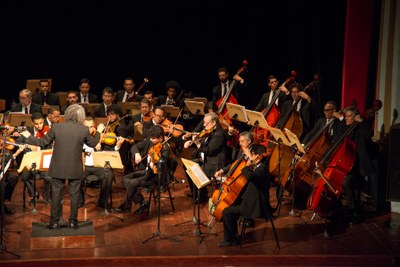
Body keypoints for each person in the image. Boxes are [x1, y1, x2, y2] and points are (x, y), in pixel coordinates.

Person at [20, 104, 100, 230]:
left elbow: (42, 142)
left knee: (56, 195)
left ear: (67, 114)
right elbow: (93, 143)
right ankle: (73, 222)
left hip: (58, 167)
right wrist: (99, 132)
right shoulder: (84, 129)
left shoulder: (56, 127)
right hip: (75, 167)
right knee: (74, 195)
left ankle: (54, 222)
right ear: (81, 116)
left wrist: (28, 136)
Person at [217, 144, 272, 247]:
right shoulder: (258, 166)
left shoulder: (262, 169)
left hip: (256, 205)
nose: (250, 157)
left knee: (227, 212)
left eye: (252, 154)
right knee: (229, 208)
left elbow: (250, 176)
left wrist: (247, 165)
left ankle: (230, 240)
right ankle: (233, 237)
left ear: (257, 156)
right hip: (251, 200)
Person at [113, 125, 170, 215]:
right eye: (151, 138)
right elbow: (134, 147)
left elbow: (161, 167)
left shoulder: (166, 149)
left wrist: (153, 165)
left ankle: (126, 207)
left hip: (155, 176)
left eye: (154, 139)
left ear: (161, 138)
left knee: (131, 183)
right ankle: (142, 202)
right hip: (147, 172)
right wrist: (136, 154)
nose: (151, 140)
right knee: (124, 179)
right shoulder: (150, 141)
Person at [335, 106, 378, 224]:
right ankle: (337, 207)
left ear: (355, 117)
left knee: (346, 182)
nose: (346, 118)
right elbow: (337, 138)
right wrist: (341, 120)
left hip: (359, 168)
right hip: (347, 166)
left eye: (349, 116)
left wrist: (362, 122)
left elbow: (368, 134)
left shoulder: (361, 128)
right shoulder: (345, 128)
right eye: (346, 116)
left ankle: (354, 212)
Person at [183, 112, 228, 203]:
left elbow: (209, 151)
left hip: (214, 163)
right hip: (205, 158)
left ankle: (202, 195)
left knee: (196, 170)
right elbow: (203, 144)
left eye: (205, 123)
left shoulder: (219, 134)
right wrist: (191, 143)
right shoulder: (209, 131)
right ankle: (196, 192)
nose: (203, 125)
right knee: (187, 166)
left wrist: (198, 144)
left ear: (213, 123)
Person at [16, 112, 52, 205]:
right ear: (32, 123)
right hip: (30, 162)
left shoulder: (48, 132)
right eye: (36, 124)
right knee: (24, 177)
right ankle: (34, 194)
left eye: (41, 123)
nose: (39, 126)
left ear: (43, 121)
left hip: (43, 161)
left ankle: (46, 195)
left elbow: (48, 145)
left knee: (49, 177)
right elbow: (18, 142)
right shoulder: (27, 132)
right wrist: (28, 146)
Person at [81, 117, 117, 208]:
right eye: (87, 127)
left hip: (97, 165)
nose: (90, 129)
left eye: (92, 126)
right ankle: (80, 201)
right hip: (83, 166)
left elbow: (110, 149)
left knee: (109, 175)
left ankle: (103, 201)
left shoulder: (98, 136)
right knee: (75, 175)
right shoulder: (79, 137)